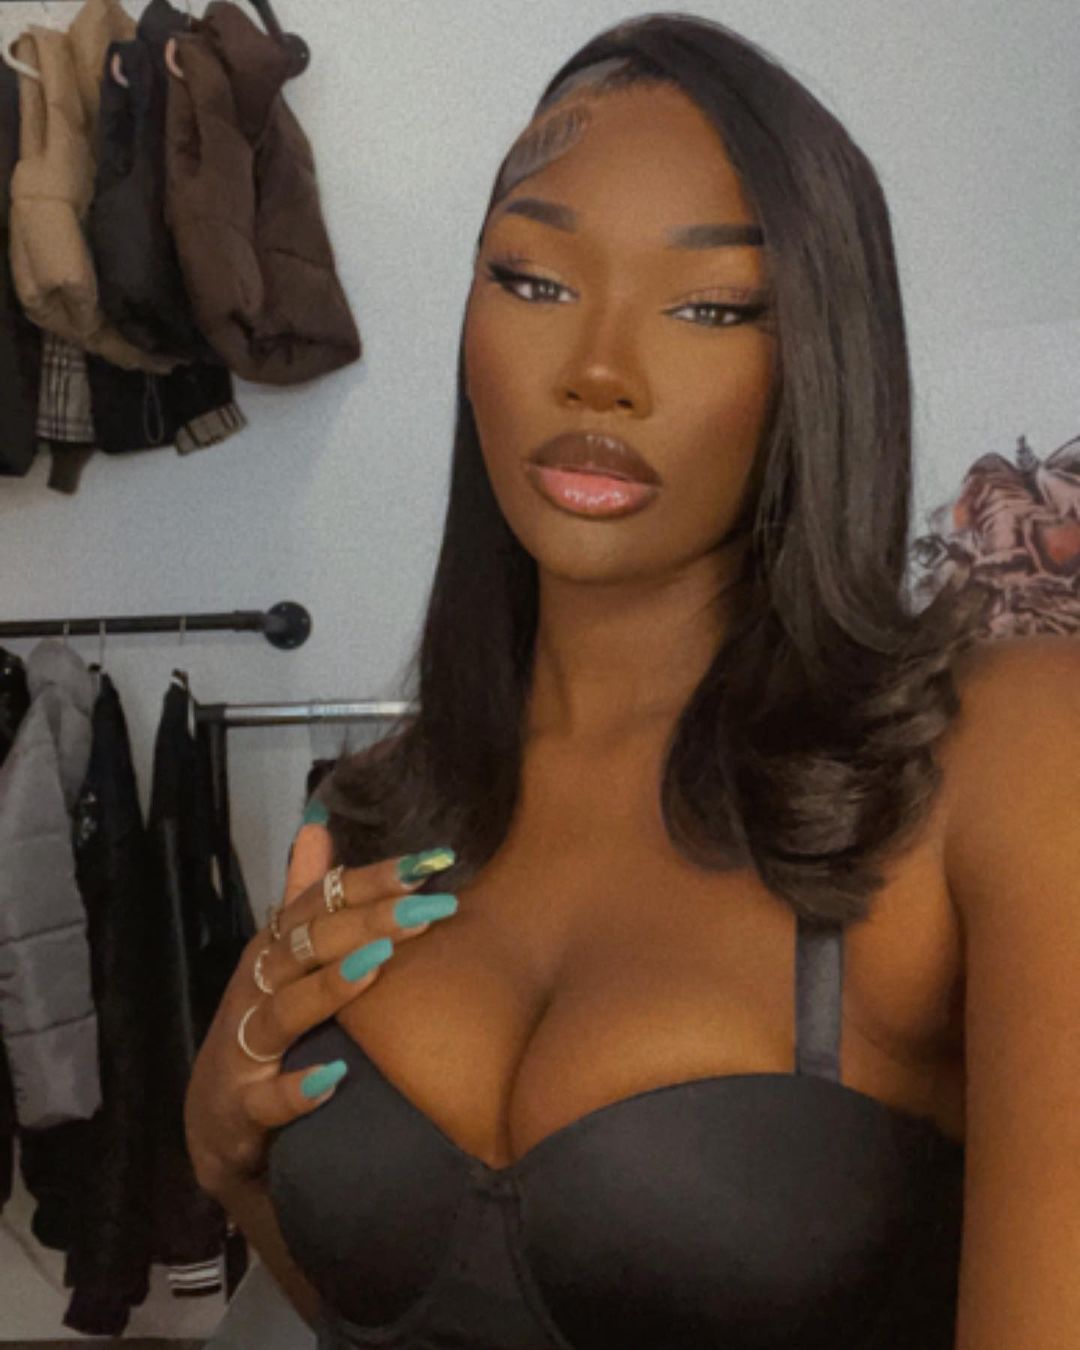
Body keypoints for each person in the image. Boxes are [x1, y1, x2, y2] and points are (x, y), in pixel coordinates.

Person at [184, 14, 1080, 1349]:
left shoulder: (1011, 758)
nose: (598, 371)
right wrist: (228, 1160)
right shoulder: (373, 811)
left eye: (710, 306)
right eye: (533, 281)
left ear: (819, 357)